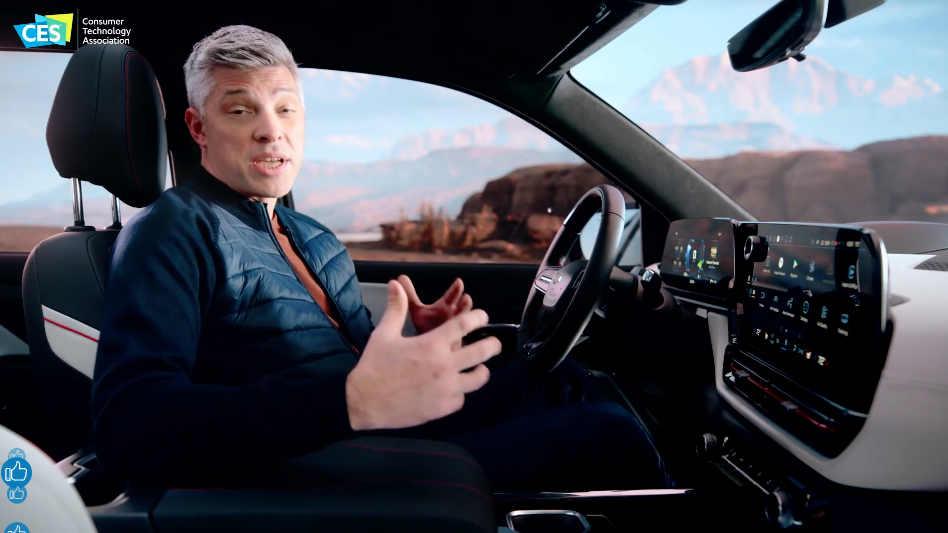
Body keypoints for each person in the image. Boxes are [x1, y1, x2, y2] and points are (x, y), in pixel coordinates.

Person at [91, 25, 667, 491]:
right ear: (198, 127)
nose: (271, 132)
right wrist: (350, 400)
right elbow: (131, 427)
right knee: (610, 432)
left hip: (372, 427)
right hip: (319, 461)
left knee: (560, 376)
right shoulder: (169, 232)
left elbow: (360, 359)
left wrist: (414, 346)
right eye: (240, 111)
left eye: (285, 109)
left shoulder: (310, 233)